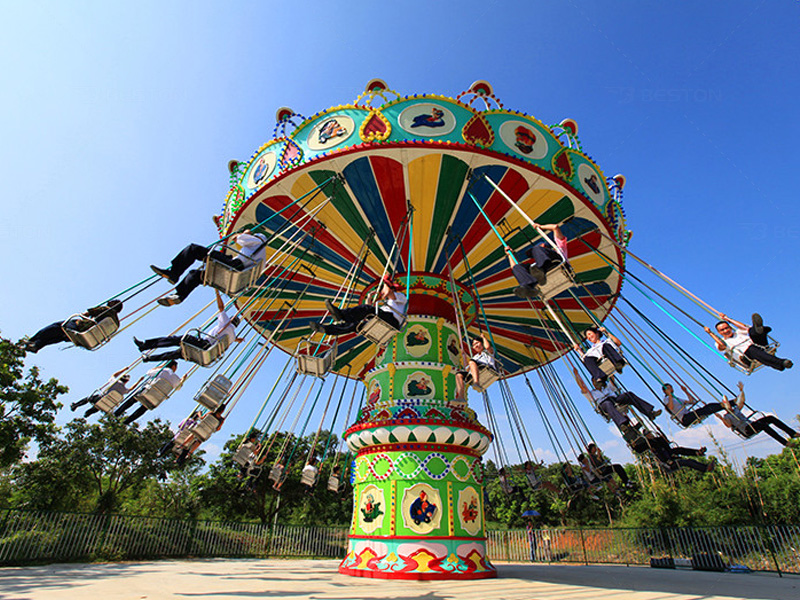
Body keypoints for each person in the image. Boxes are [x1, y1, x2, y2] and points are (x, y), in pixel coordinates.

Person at [151, 228, 268, 306]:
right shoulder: (262, 258)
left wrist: (245, 233)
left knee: (193, 249)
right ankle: (179, 295)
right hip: (237, 279)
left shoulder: (258, 242)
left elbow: (237, 238)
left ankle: (174, 273)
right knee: (195, 275)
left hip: (234, 266)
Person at [134, 292, 241, 362]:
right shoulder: (232, 337)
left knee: (175, 340)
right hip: (206, 356)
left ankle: (145, 345)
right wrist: (237, 339)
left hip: (203, 344)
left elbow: (221, 308)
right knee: (175, 354)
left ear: (231, 320)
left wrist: (217, 292)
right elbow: (224, 339)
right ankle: (148, 358)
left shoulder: (226, 323)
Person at [310, 276, 407, 337]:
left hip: (392, 320)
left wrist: (386, 285)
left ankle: (342, 314)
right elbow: (369, 312)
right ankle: (327, 329)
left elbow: (391, 295)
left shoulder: (400, 296)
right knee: (355, 325)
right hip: (384, 320)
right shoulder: (385, 306)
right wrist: (369, 298)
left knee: (367, 309)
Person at [573, 367, 661, 431]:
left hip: (615, 400)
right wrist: (576, 375)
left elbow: (612, 378)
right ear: (593, 383)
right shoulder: (592, 393)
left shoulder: (607, 387)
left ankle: (649, 412)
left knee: (629, 394)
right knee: (608, 404)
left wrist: (606, 367)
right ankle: (623, 423)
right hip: (604, 404)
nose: (597, 382)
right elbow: (582, 386)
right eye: (595, 381)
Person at [24, 300, 123, 353]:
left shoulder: (106, 309)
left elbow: (86, 313)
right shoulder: (116, 324)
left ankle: (32, 340)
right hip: (88, 338)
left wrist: (83, 315)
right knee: (58, 337)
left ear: (112, 304)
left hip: (79, 328)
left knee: (56, 327)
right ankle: (36, 345)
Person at [704, 313, 792, 372]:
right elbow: (722, 345)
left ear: (730, 328)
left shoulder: (738, 332)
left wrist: (727, 319)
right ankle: (781, 363)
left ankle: (760, 330)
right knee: (751, 349)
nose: (726, 330)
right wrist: (710, 333)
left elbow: (744, 327)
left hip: (760, 347)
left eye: (727, 328)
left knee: (752, 332)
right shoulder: (721, 342)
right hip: (747, 357)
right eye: (722, 330)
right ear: (719, 333)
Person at [719, 382, 799, 446]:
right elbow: (729, 425)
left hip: (752, 424)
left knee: (770, 418)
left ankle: (792, 433)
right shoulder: (727, 416)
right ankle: (784, 442)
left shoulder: (736, 409)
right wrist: (721, 418)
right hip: (747, 430)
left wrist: (741, 391)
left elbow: (742, 401)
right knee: (763, 426)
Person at [506, 222, 569, 298]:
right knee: (518, 268)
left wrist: (541, 227)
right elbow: (515, 267)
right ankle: (527, 287)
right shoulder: (535, 265)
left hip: (555, 263)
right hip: (540, 274)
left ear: (543, 246)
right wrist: (510, 255)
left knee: (536, 251)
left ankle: (541, 270)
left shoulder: (559, 248)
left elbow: (555, 227)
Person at [114, 360, 185, 423]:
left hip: (147, 391)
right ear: (173, 367)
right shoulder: (176, 378)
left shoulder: (162, 370)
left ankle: (117, 413)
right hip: (156, 399)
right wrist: (182, 380)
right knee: (144, 408)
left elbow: (148, 372)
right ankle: (127, 421)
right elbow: (178, 388)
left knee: (133, 399)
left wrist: (160, 367)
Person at [70, 368, 143, 417]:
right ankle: (88, 413)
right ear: (127, 381)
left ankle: (76, 405)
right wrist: (139, 381)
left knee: (89, 398)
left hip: (100, 398)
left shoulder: (114, 382)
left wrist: (123, 369)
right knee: (98, 406)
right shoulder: (124, 390)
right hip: (106, 404)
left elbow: (114, 375)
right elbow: (131, 389)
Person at [637, 431, 714, 473]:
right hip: (668, 463)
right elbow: (639, 450)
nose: (650, 435)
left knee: (680, 450)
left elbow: (667, 444)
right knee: (688, 462)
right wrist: (634, 445)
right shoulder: (649, 444)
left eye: (650, 433)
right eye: (648, 435)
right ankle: (705, 468)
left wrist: (661, 436)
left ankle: (697, 452)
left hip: (670, 455)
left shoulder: (658, 440)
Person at [454, 334, 496, 401]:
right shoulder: (475, 357)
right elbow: (468, 368)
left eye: (477, 343)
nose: (476, 346)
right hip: (477, 370)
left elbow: (488, 347)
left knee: (471, 362)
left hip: (486, 367)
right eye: (474, 345)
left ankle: (476, 382)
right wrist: (464, 356)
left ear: (482, 343)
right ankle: (461, 397)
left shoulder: (487, 352)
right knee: (459, 375)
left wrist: (483, 337)